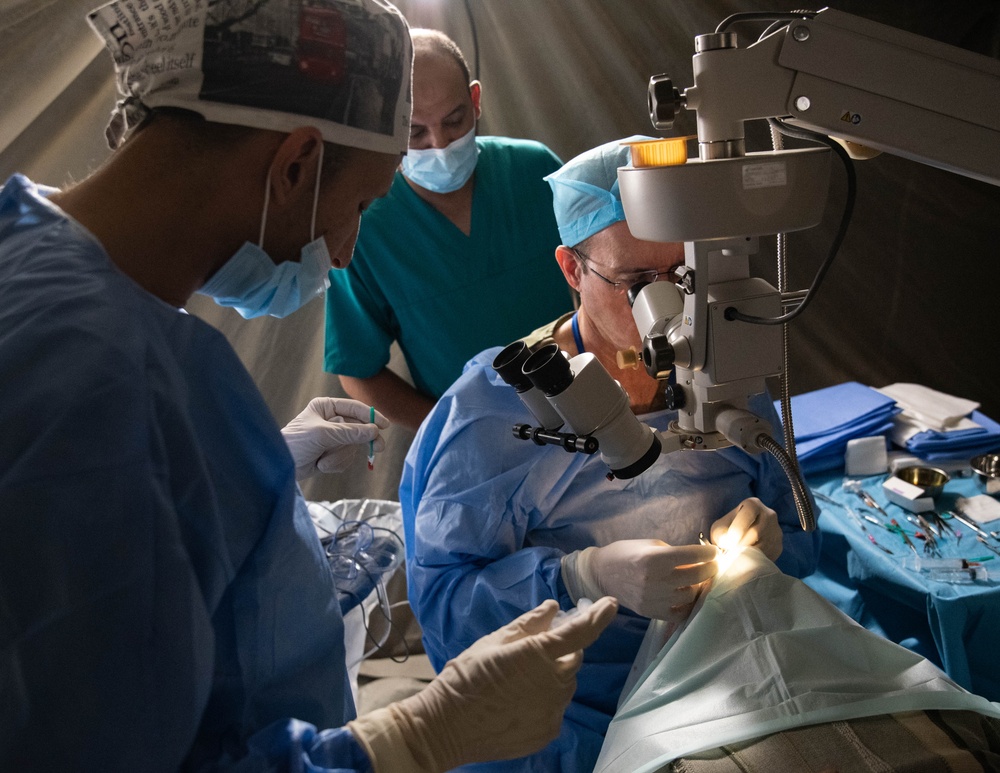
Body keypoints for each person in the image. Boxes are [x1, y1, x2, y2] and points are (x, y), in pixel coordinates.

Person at [0, 2, 618, 771]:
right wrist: (415, 738)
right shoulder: (89, 379)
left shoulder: (36, 271)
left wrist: (247, 476)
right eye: (360, 203)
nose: (350, 245)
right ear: (293, 164)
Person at [400, 137, 822, 772]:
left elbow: (804, 528)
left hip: (723, 675)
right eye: (635, 283)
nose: (669, 308)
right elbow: (447, 606)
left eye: (682, 276)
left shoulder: (723, 368)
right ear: (571, 269)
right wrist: (584, 578)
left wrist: (776, 540)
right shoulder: (495, 411)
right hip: (566, 714)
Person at [323, 28, 572, 431]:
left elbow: (602, 279)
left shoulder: (534, 171)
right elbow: (357, 369)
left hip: (581, 414)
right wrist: (454, 430)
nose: (440, 144)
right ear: (386, 126)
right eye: (415, 132)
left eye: (454, 120)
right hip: (476, 447)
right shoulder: (368, 227)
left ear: (475, 101)